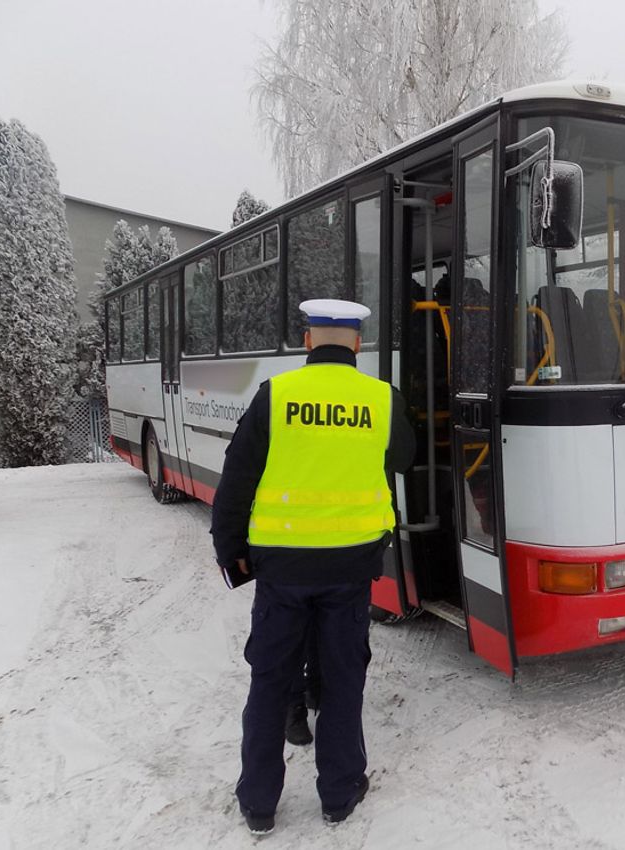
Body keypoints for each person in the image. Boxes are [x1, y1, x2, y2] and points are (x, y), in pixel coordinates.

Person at [211, 298, 415, 835]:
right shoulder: (380, 400)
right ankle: (340, 794)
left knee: (270, 680)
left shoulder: (275, 396)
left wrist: (229, 550)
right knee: (344, 678)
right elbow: (404, 459)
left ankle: (259, 803)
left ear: (307, 341)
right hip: (350, 567)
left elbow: (236, 480)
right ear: (356, 344)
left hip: (281, 569)